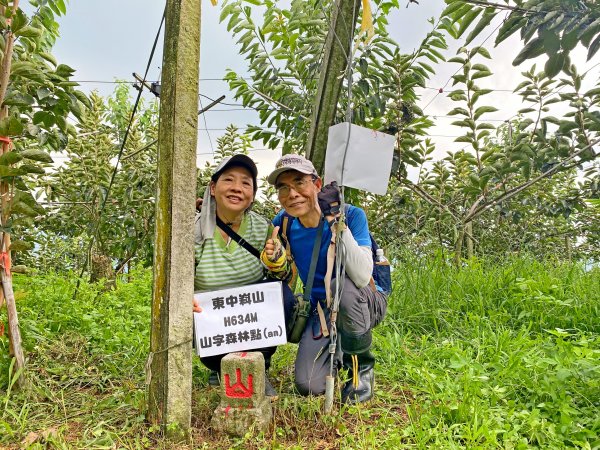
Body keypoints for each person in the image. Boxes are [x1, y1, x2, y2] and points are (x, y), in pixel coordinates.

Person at [262, 154, 387, 404]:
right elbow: (283, 272)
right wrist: (275, 260)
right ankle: (337, 345)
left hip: (362, 299)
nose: (292, 193)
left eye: (299, 183)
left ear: (317, 185)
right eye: (283, 187)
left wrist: (334, 221)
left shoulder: (352, 215)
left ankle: (360, 369)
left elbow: (363, 275)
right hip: (321, 310)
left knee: (342, 286)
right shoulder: (283, 223)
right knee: (309, 385)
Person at [193, 154, 292, 397]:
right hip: (210, 321)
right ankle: (219, 367)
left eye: (246, 183)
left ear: (253, 194)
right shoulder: (193, 229)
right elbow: (177, 283)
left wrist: (277, 262)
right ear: (213, 188)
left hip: (250, 319)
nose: (237, 188)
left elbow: (283, 275)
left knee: (284, 297)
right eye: (229, 180)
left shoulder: (262, 228)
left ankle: (258, 367)